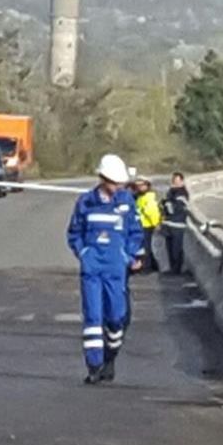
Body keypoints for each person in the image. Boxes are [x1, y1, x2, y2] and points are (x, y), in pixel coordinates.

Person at [66, 154, 143, 385]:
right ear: (102, 178)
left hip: (116, 270)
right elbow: (74, 233)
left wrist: (131, 257)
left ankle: (110, 357)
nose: (117, 187)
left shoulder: (126, 202)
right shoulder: (86, 202)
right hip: (92, 270)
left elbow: (135, 232)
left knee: (116, 317)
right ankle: (94, 365)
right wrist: (84, 254)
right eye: (113, 182)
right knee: (93, 316)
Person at [162, 172, 190, 274]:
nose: (175, 183)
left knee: (176, 249)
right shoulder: (170, 192)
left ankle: (177, 270)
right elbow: (164, 205)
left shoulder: (182, 193)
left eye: (178, 181)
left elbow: (173, 208)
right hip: (168, 224)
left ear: (182, 181)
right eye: (174, 181)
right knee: (169, 248)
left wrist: (168, 203)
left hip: (178, 225)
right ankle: (172, 268)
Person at [132, 176, 162, 272]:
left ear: (147, 186)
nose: (139, 188)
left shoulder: (148, 197)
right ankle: (152, 265)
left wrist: (156, 223)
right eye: (137, 186)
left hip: (146, 225)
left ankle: (147, 267)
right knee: (144, 247)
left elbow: (151, 212)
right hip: (141, 225)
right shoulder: (140, 197)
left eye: (142, 185)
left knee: (146, 248)